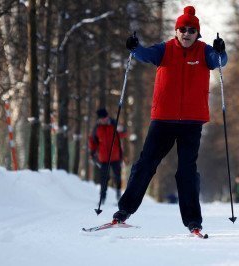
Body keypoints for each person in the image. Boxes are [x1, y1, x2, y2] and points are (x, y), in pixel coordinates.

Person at [112, 6, 228, 234]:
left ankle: (193, 222)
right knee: (145, 165)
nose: (186, 33)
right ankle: (123, 212)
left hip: (192, 123)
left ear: (197, 33)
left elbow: (220, 61)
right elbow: (144, 54)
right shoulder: (164, 50)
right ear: (176, 31)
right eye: (182, 29)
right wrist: (134, 48)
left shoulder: (204, 52)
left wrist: (221, 51)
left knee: (186, 171)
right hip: (163, 120)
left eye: (191, 30)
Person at [88, 108, 126, 203]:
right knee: (104, 178)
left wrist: (122, 129)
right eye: (101, 119)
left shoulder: (114, 124)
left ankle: (118, 195)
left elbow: (123, 134)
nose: (103, 120)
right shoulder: (97, 128)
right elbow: (93, 140)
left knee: (117, 177)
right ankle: (102, 197)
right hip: (103, 158)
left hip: (115, 156)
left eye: (104, 118)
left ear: (107, 117)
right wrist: (92, 152)